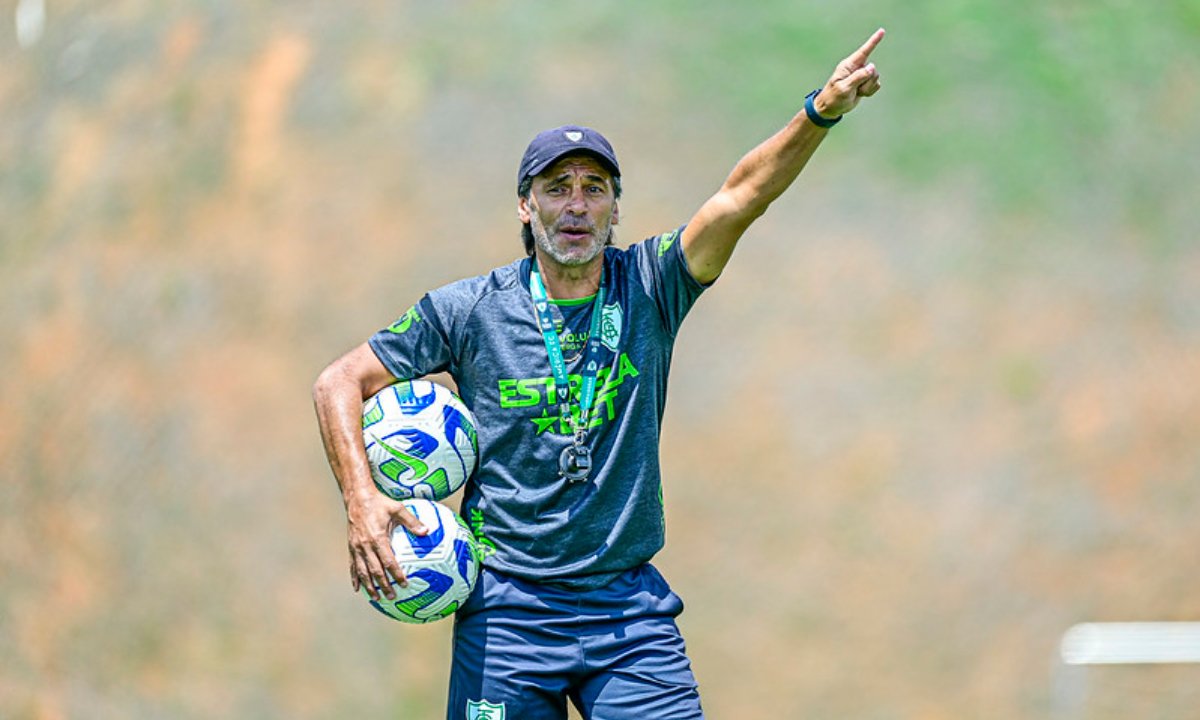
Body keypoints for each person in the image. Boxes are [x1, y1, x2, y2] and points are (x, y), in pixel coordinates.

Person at [313, 28, 885, 720]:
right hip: (507, 615)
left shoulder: (652, 284)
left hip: (627, 617)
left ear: (618, 207)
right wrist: (361, 504)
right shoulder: (466, 311)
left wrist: (820, 110)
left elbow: (742, 197)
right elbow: (338, 382)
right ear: (527, 206)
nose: (577, 205)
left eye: (595, 188)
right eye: (557, 188)